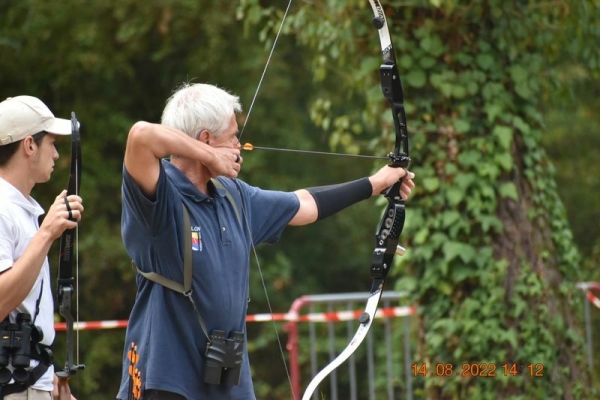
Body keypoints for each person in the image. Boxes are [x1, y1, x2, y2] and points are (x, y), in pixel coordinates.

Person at [116, 83, 415, 400]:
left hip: (228, 384)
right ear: (206, 139)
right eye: (232, 136)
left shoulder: (232, 196)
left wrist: (375, 183)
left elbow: (303, 205)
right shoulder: (158, 197)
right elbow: (141, 136)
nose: (238, 144)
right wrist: (210, 157)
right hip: (167, 382)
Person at [0, 96, 84, 399]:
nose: (58, 154)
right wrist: (48, 232)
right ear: (29, 145)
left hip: (30, 380)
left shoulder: (23, 208)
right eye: (52, 143)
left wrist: (50, 377)